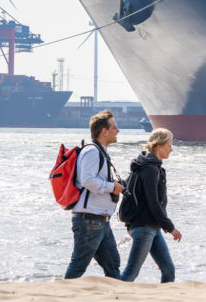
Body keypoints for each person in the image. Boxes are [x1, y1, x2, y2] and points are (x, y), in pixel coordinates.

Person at [64, 110, 124, 279]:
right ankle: (61, 299)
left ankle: (116, 300)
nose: (118, 131)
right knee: (78, 266)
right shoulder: (92, 152)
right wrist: (111, 187)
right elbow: (87, 180)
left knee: (113, 264)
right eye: (114, 128)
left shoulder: (100, 151)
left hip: (100, 220)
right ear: (104, 131)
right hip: (90, 220)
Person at [120, 128, 183, 283]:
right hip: (144, 227)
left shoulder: (146, 166)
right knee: (131, 273)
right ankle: (111, 300)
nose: (171, 149)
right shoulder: (150, 169)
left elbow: (132, 193)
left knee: (169, 270)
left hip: (152, 227)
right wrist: (170, 227)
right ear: (159, 146)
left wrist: (129, 224)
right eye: (169, 145)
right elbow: (153, 202)